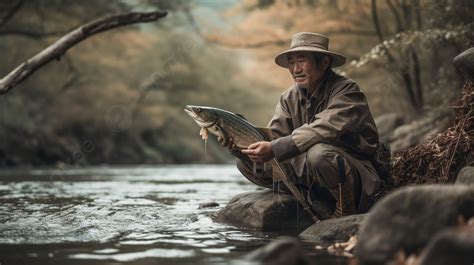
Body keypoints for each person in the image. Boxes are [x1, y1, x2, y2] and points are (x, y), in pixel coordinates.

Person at [221, 32, 380, 219]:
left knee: (319, 154)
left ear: (324, 62)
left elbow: (324, 127)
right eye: (291, 62)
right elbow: (275, 138)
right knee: (244, 163)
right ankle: (306, 196)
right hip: (310, 172)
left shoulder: (347, 90)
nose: (295, 69)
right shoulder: (289, 97)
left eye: (302, 61)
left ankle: (345, 209)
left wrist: (274, 147)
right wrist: (242, 149)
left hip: (356, 174)